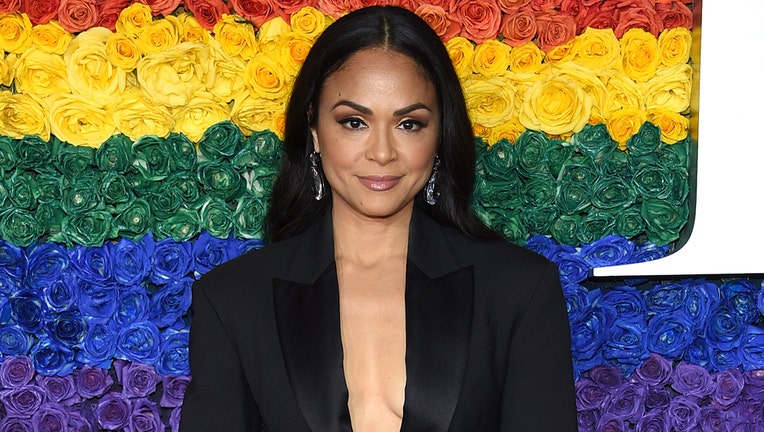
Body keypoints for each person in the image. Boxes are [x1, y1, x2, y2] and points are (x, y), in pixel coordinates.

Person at [179, 6, 577, 432]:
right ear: (313, 128)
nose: (382, 152)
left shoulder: (518, 290)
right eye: (354, 122)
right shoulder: (234, 300)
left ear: (440, 134)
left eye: (409, 124)